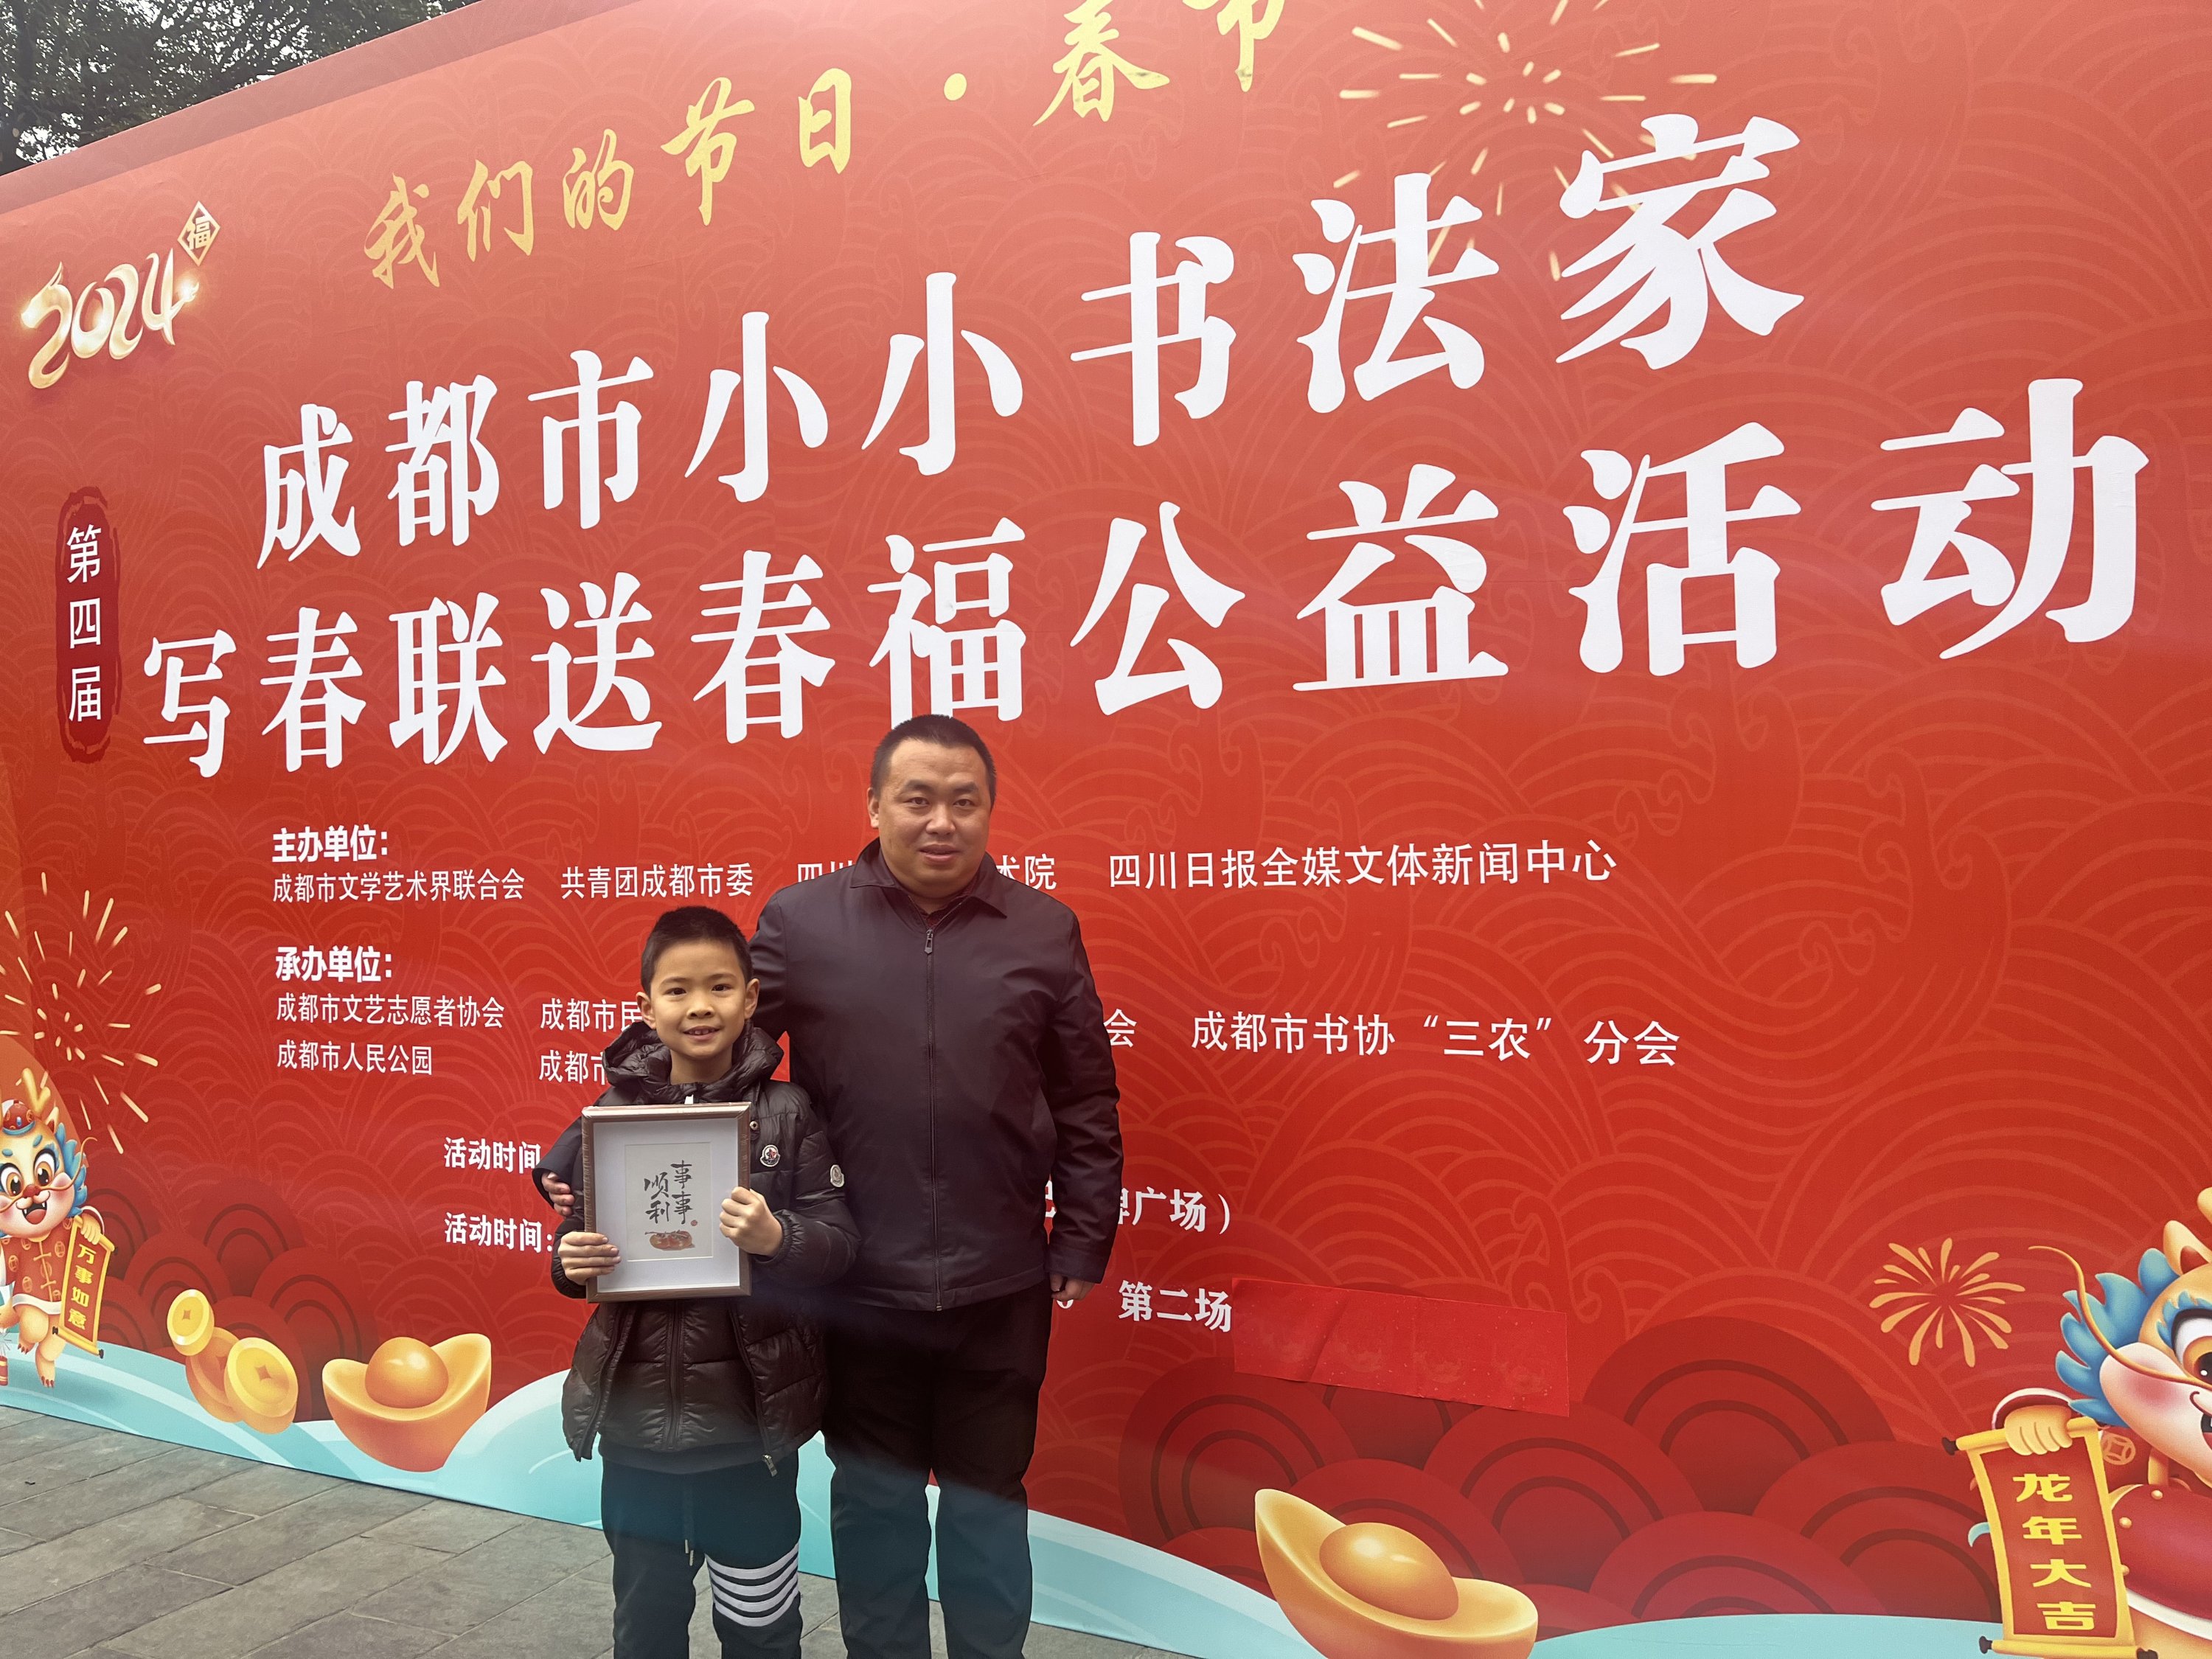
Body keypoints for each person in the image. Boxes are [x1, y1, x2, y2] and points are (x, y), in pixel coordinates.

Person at [748, 714, 1123, 1659]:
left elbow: (1085, 1096)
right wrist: (600, 1153)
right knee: (873, 1512)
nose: (941, 821)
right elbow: (717, 1059)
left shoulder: (1043, 929)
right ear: (874, 806)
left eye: (965, 801)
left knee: (987, 1512)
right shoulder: (802, 923)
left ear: (991, 811)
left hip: (1000, 1281)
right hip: (855, 1278)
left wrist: (1083, 1237)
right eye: (917, 798)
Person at [539, 905, 858, 1659]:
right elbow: (576, 1240)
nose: (700, 1007)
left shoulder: (788, 1114)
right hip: (635, 1432)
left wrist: (778, 1238)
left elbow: (841, 1244)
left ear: (751, 999)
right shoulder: (612, 1114)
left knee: (761, 1629)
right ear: (647, 1008)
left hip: (748, 1436)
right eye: (677, 991)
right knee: (645, 1625)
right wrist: (569, 1261)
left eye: (719, 987)